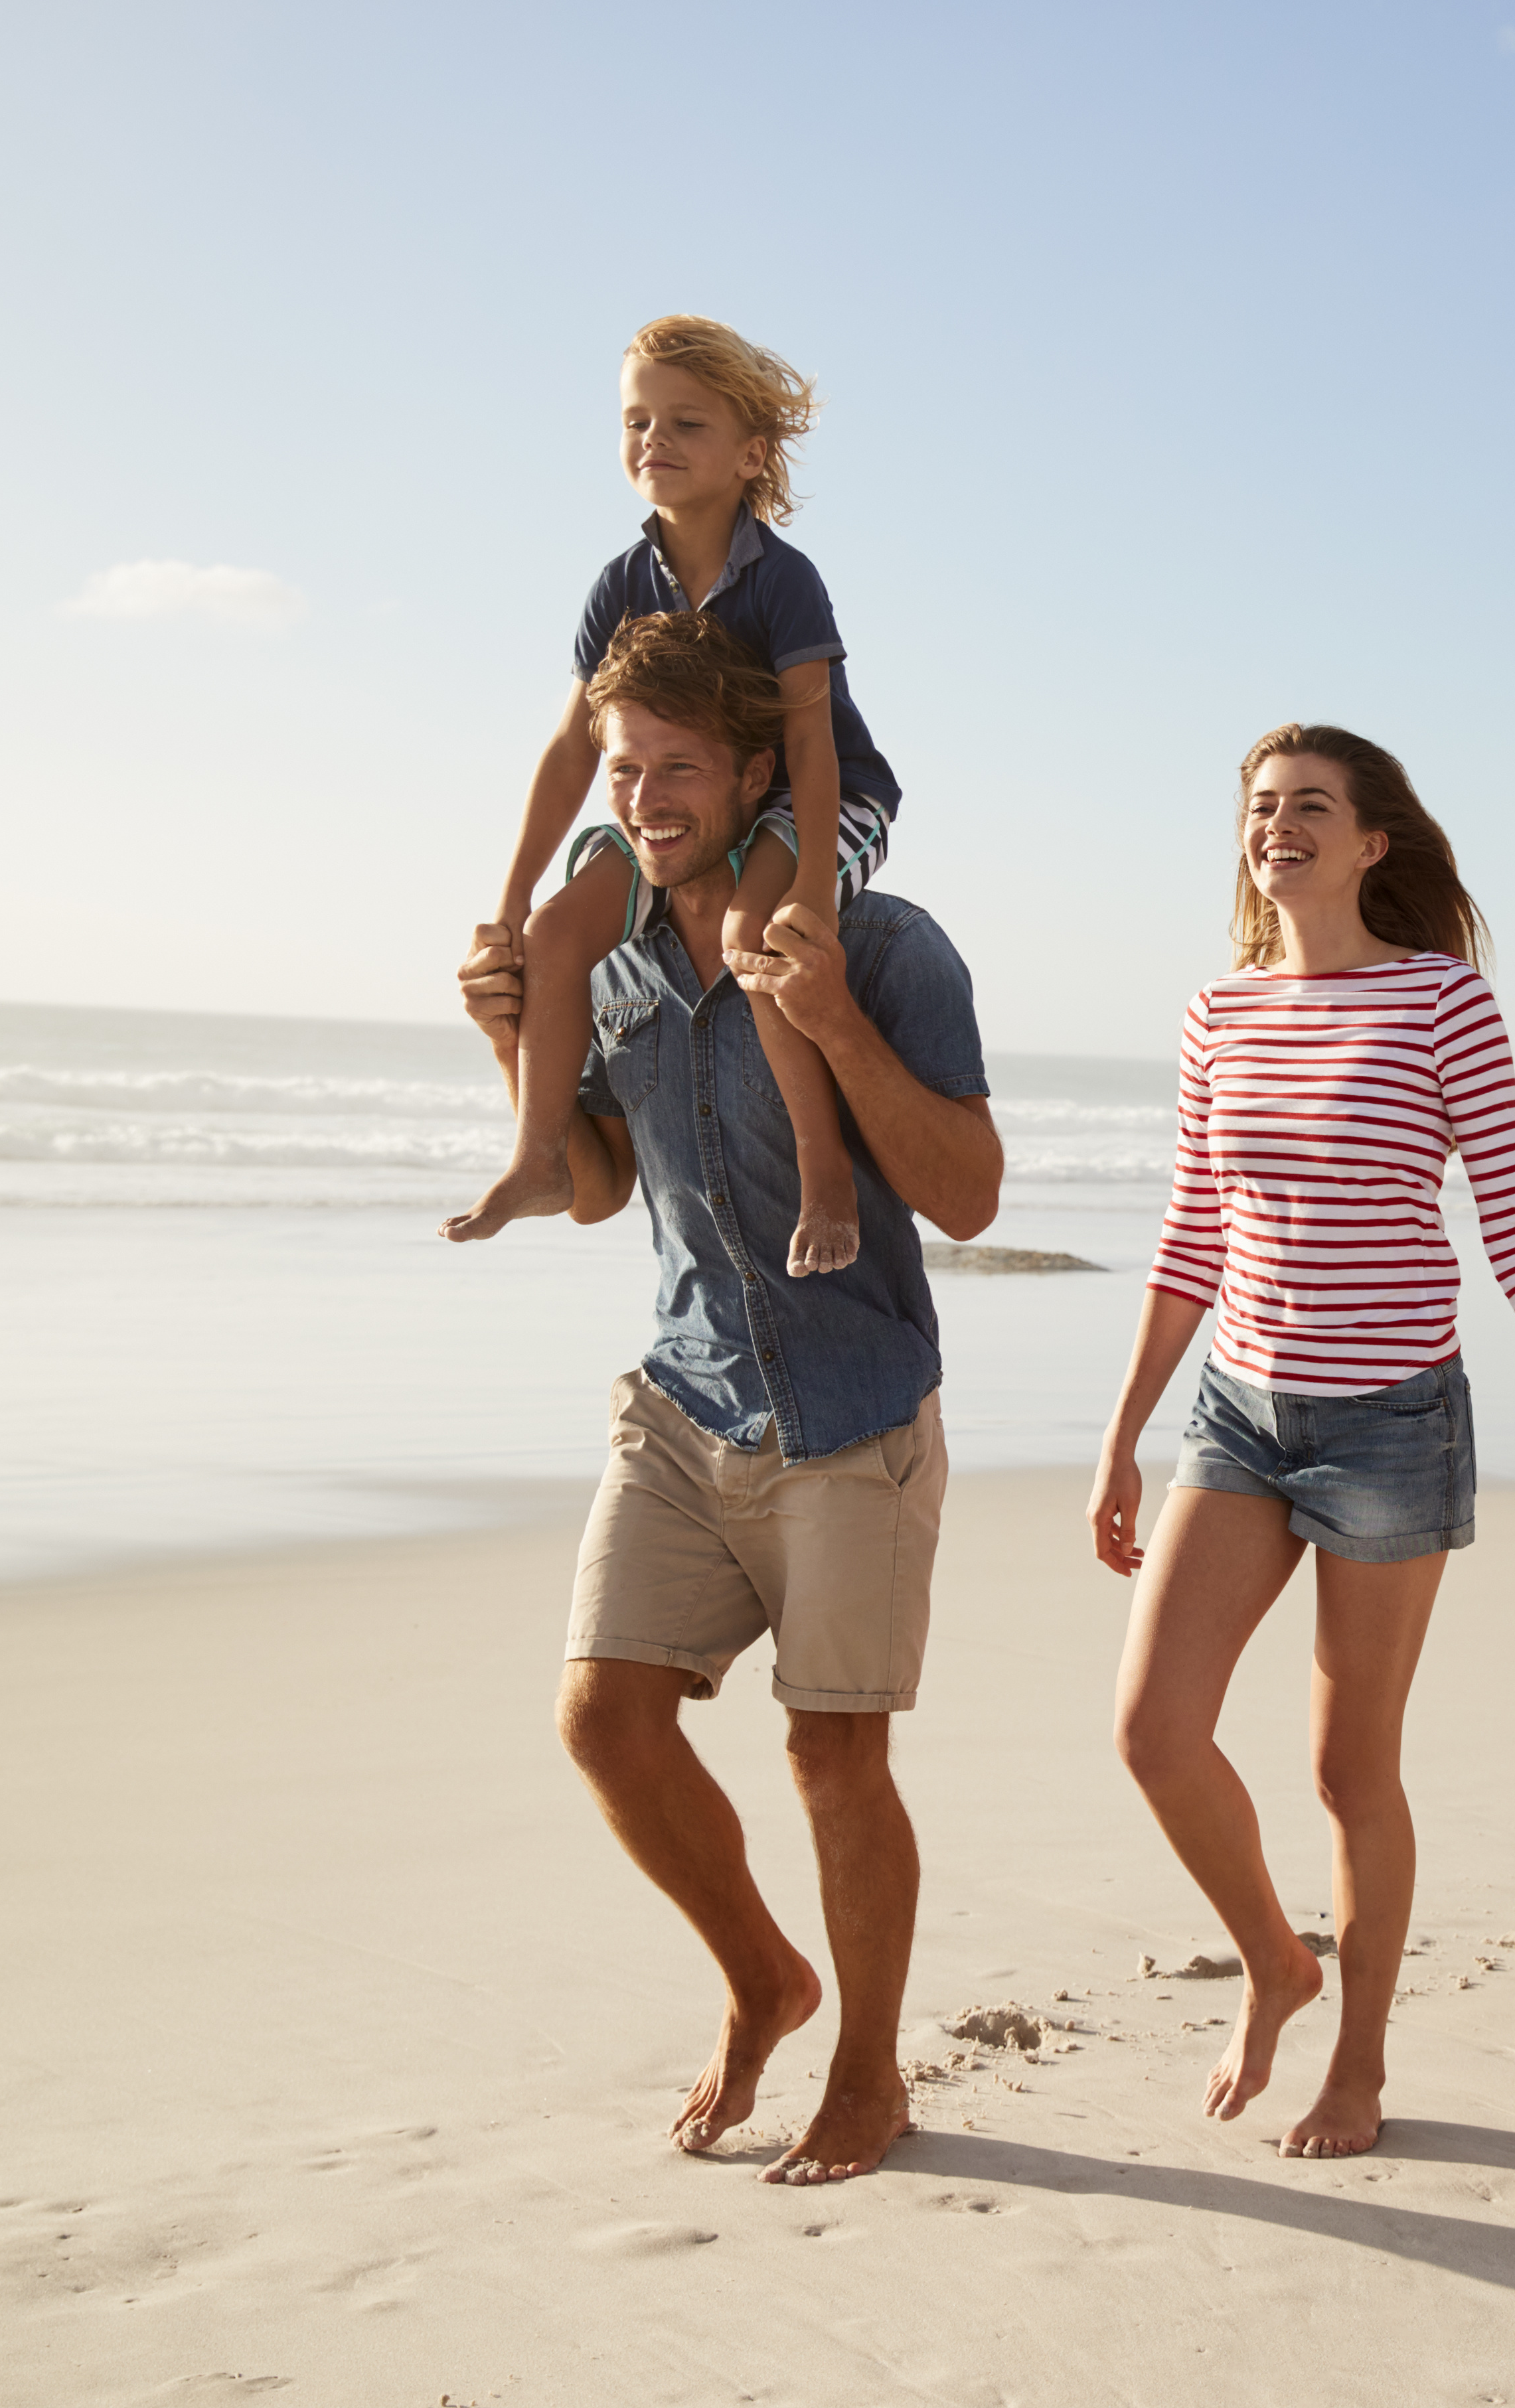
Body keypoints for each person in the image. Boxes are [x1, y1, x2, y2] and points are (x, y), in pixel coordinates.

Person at [451, 611, 1002, 2188]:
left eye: (679, 767)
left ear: (761, 769)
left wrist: (829, 1018)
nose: (644, 797)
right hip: (685, 1395)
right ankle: (766, 1977)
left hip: (853, 1413)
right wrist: (512, 1059)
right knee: (605, 1719)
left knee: (835, 1758)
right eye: (623, 769)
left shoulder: (889, 947)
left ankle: (870, 2071)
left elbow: (966, 1197)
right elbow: (594, 1183)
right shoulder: (610, 955)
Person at [1087, 724, 1515, 2160]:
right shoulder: (1218, 1011)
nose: (1278, 826)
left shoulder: (1442, 1002)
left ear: (1368, 844)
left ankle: (1360, 2062)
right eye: (1261, 808)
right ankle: (1279, 1961)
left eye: (1309, 808)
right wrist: (1121, 1436)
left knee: (1351, 1771)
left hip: (1390, 1425)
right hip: (1240, 1411)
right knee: (1155, 1732)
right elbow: (1193, 1234)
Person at [447, 313, 902, 1281]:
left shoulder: (784, 582)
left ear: (751, 454)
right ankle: (535, 1158)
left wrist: (811, 891)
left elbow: (813, 747)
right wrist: (505, 908)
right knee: (559, 932)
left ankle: (825, 1174)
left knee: (751, 931)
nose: (655, 440)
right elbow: (574, 753)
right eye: (637, 421)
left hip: (816, 797)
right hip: (681, 808)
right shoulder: (620, 585)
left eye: (687, 424)